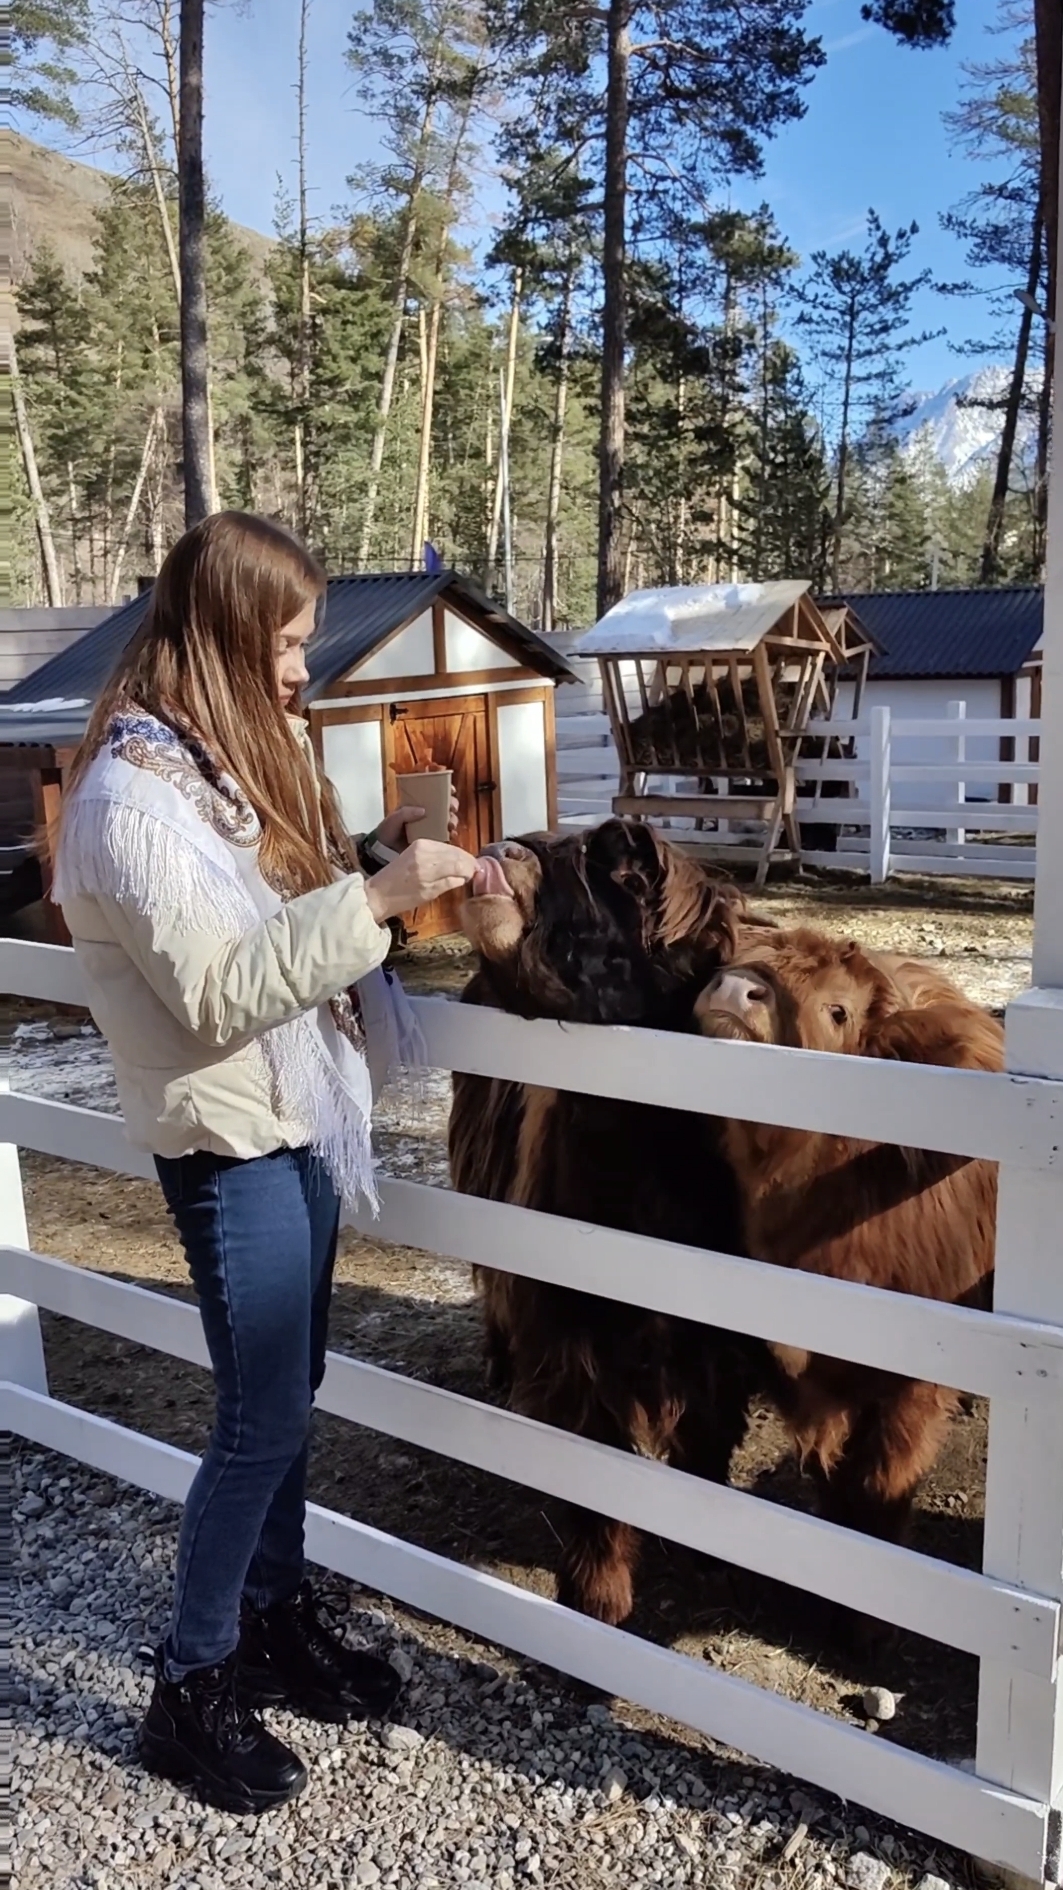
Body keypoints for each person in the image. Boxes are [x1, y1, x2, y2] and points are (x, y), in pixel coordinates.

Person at [51, 511, 478, 1815]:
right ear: (228, 637)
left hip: (291, 1112)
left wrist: (360, 863)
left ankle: (274, 1617)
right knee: (260, 1418)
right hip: (230, 1138)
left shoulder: (214, 772)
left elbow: (268, 918)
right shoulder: (132, 801)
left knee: (293, 1390)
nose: (301, 667)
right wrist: (387, 898)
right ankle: (190, 1682)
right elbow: (226, 984)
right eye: (287, 642)